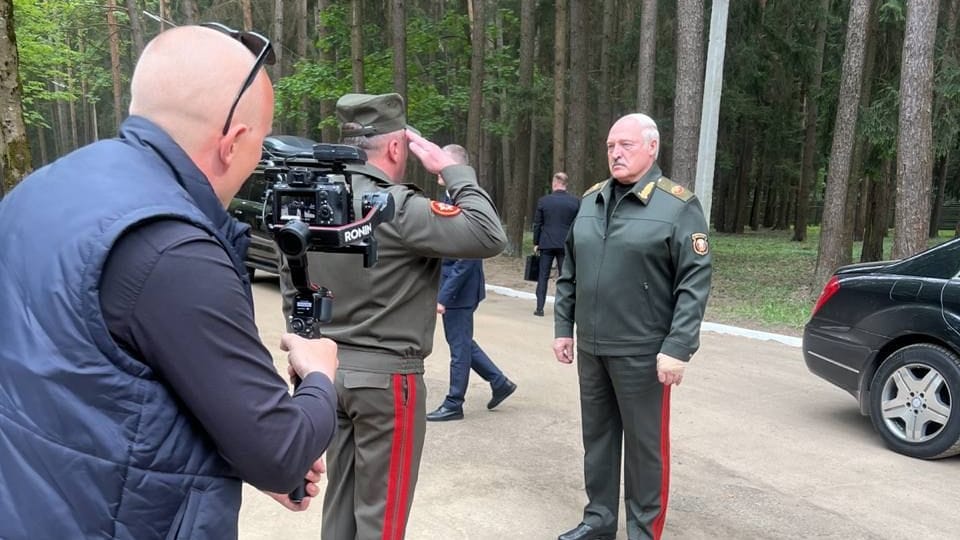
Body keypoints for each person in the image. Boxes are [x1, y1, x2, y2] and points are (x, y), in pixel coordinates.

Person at [0, 24, 340, 539]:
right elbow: (279, 453)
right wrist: (318, 376)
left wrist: (232, 446)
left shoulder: (43, 187)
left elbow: (95, 373)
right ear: (235, 142)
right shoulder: (174, 248)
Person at [279, 93, 507, 540]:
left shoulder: (309, 202)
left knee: (341, 505)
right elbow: (489, 233)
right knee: (382, 516)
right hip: (387, 383)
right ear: (399, 147)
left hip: (328, 374)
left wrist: (304, 359)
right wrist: (451, 169)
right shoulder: (396, 206)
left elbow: (293, 285)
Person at [552, 113, 712, 540]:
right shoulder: (592, 201)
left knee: (645, 449)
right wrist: (563, 326)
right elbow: (571, 268)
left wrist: (678, 347)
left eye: (626, 145)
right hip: (592, 347)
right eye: (610, 146)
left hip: (644, 351)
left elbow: (694, 283)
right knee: (598, 440)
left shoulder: (677, 206)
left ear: (652, 147)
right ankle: (598, 521)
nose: (616, 153)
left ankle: (643, 530)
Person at [427, 144, 517, 422]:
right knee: (462, 341)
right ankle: (499, 381)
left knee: (459, 346)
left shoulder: (467, 199)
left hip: (460, 289)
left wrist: (444, 296)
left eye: (443, 163)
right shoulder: (450, 195)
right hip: (454, 285)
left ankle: (454, 403)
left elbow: (468, 256)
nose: (437, 169)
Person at [532, 171, 579, 316]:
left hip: (546, 243)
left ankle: (540, 308)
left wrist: (536, 242)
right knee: (565, 277)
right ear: (565, 184)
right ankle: (564, 309)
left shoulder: (544, 201)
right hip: (565, 244)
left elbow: (538, 224)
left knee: (543, 276)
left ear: (555, 183)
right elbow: (577, 224)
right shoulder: (576, 202)